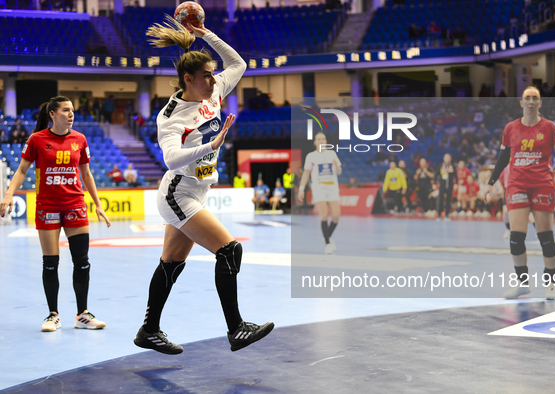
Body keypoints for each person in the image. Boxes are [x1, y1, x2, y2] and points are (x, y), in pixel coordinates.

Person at [133, 15, 273, 355]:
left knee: (171, 263)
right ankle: (236, 329)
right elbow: (170, 158)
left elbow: (238, 63)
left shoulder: (213, 93)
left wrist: (204, 34)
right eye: (207, 75)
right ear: (188, 79)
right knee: (229, 250)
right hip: (177, 193)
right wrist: (210, 146)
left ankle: (148, 330)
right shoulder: (171, 115)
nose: (214, 80)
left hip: (196, 191)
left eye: (214, 74)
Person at [0, 96, 111, 332]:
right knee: (50, 263)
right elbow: (21, 170)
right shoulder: (37, 140)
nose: (71, 114)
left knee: (82, 262)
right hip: (47, 207)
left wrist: (98, 204)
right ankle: (53, 315)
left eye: (72, 110)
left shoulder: (79, 139)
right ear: (52, 114)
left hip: (75, 205)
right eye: (65, 110)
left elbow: (87, 174)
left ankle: (82, 314)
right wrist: (9, 194)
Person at [483, 86, 555, 300]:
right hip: (517, 185)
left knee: (545, 237)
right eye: (527, 98)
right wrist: (491, 182)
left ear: (540, 103)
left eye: (535, 98)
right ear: (521, 103)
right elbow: (503, 159)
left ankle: (551, 284)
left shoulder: (550, 127)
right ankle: (522, 283)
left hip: (542, 184)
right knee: (516, 237)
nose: (531, 101)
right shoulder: (511, 128)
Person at [297, 132, 342, 254]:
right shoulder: (311, 156)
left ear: (326, 141)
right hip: (319, 188)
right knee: (324, 216)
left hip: (332, 188)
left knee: (336, 217)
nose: (321, 141)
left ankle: (327, 236)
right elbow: (306, 173)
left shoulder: (332, 154)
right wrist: (301, 188)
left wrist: (336, 166)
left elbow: (339, 171)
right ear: (315, 142)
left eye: (323, 139)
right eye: (319, 139)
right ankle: (327, 243)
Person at [435, 153, 456, 221]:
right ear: (443, 159)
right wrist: (434, 183)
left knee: (448, 200)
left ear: (450, 159)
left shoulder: (452, 166)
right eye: (446, 158)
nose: (447, 159)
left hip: (449, 186)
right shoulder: (441, 166)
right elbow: (436, 174)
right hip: (442, 186)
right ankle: (438, 214)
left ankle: (447, 215)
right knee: (440, 200)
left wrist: (456, 184)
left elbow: (456, 176)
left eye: (448, 158)